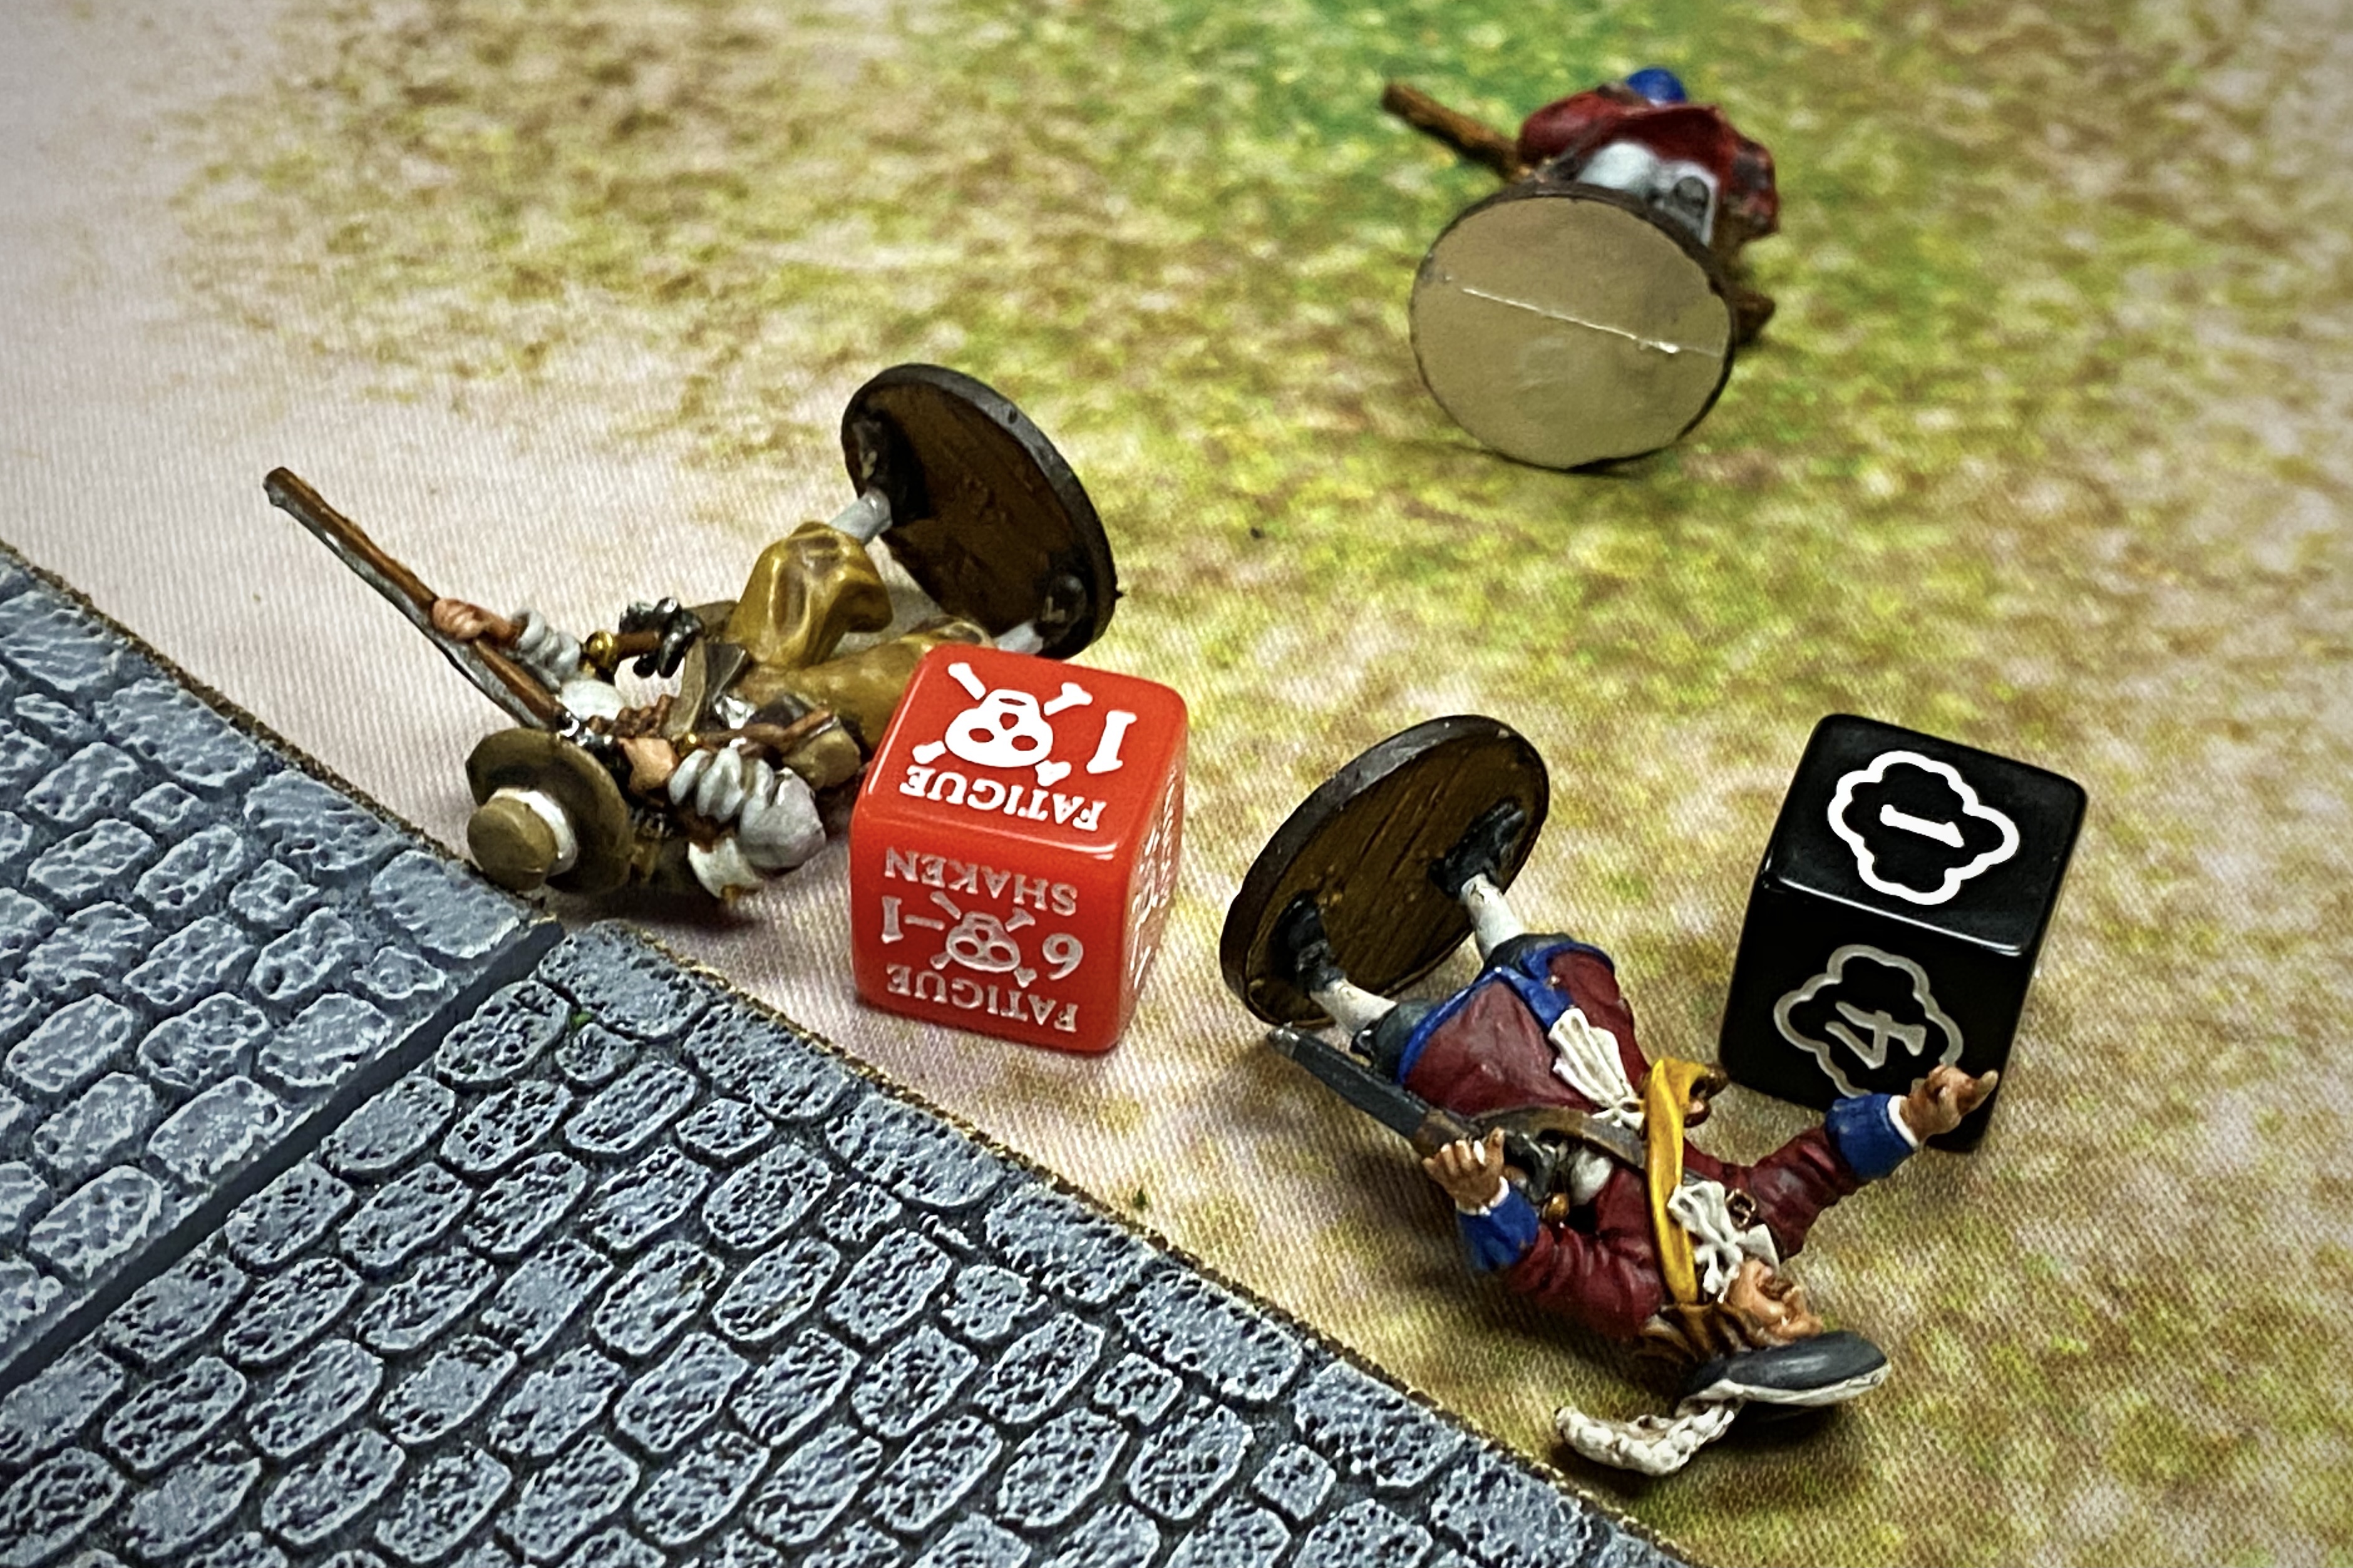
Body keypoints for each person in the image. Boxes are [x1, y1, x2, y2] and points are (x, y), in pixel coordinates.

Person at [1275, 802, 1996, 1473]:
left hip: (1539, 1118)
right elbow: (1823, 1167)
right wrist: (1915, 1119)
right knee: (1545, 971)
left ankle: (1319, 979)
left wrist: (1484, 1196)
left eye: (1782, 1322)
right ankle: (1470, 880)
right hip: (1612, 1075)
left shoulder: (1635, 1297)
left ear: (1728, 1344)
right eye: (1806, 1312)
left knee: (1426, 1042)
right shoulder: (1755, 1220)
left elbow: (1543, 1264)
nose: (1791, 1295)